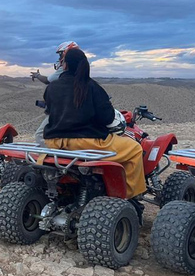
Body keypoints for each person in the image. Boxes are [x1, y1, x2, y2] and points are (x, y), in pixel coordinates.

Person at [43, 47, 147, 202]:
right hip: (86, 143)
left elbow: (49, 111)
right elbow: (107, 118)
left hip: (55, 142)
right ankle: (128, 197)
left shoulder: (52, 87)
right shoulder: (91, 86)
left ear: (65, 65)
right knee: (135, 149)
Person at [32, 41, 79, 145]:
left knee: (41, 135)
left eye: (60, 54)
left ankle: (46, 160)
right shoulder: (81, 70)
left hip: (65, 110)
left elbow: (47, 80)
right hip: (76, 109)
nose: (59, 57)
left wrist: (37, 75)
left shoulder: (64, 69)